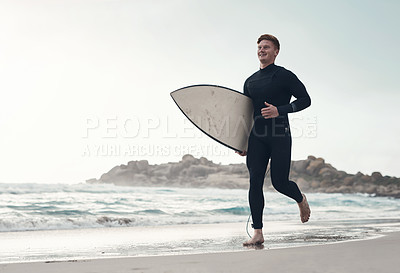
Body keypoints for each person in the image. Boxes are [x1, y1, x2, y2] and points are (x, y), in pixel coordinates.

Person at [237, 34, 311, 246]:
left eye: (266, 47)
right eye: (259, 47)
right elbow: (246, 113)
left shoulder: (284, 76)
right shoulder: (250, 81)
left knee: (279, 183)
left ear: (276, 51)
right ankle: (258, 232)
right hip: (256, 137)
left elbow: (306, 100)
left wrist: (280, 110)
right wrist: (242, 143)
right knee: (255, 183)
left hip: (280, 134)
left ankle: (300, 199)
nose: (262, 50)